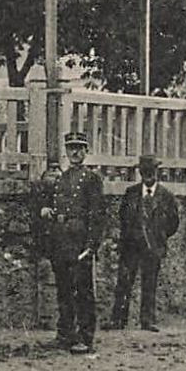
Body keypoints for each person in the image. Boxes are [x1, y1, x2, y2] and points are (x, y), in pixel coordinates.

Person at [38, 131, 107, 354]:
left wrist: (91, 245)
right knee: (64, 290)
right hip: (61, 240)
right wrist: (48, 211)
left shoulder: (92, 179)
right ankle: (65, 333)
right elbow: (54, 205)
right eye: (71, 148)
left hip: (79, 241)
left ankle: (86, 338)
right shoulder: (61, 178)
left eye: (79, 148)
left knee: (83, 291)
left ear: (86, 151)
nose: (75, 152)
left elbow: (97, 215)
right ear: (66, 152)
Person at [109, 153, 181, 332]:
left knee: (149, 283)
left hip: (153, 246)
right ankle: (119, 320)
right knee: (124, 282)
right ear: (140, 172)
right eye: (145, 171)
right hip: (131, 246)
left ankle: (147, 320)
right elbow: (123, 218)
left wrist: (160, 236)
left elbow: (173, 223)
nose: (149, 175)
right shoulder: (131, 193)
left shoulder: (166, 196)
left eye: (152, 171)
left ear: (158, 172)